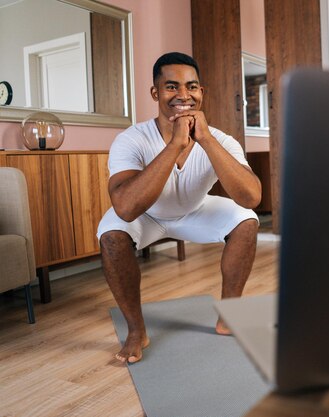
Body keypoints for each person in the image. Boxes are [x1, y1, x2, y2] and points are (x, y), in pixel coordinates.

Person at [97, 52, 262, 364]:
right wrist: (175, 144)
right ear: (155, 93)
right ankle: (136, 330)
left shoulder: (222, 140)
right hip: (146, 216)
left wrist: (207, 140)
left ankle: (229, 315)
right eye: (172, 87)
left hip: (195, 210)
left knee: (247, 221)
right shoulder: (131, 139)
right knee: (111, 235)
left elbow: (251, 197)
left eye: (192, 87)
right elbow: (126, 207)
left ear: (201, 92)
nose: (184, 95)